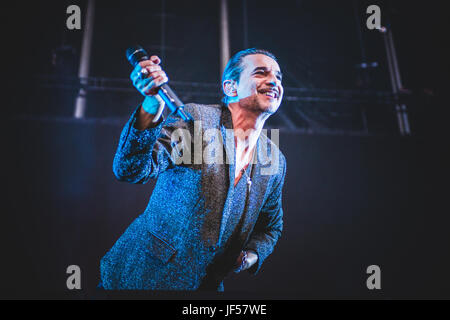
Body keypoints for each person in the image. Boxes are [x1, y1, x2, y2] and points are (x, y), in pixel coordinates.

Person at [100, 48, 287, 291]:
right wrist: (151, 103)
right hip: (139, 279)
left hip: (204, 287)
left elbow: (270, 227)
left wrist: (250, 256)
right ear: (231, 87)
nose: (273, 81)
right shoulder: (197, 120)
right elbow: (131, 168)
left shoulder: (274, 158)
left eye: (278, 77)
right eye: (261, 73)